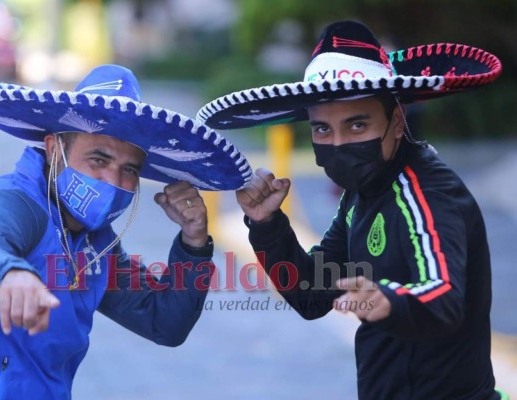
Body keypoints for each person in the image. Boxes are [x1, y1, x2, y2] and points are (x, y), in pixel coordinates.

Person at [197, 20, 507, 400]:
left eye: (357, 125)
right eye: (323, 130)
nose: (339, 144)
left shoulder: (427, 192)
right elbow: (311, 295)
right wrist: (266, 224)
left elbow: (444, 300)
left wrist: (390, 299)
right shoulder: (362, 193)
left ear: (396, 122)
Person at [0, 64, 252, 399]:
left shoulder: (95, 243)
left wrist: (193, 241)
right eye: (98, 160)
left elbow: (164, 322)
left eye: (128, 169)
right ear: (55, 150)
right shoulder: (6, 202)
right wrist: (10, 273)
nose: (112, 181)